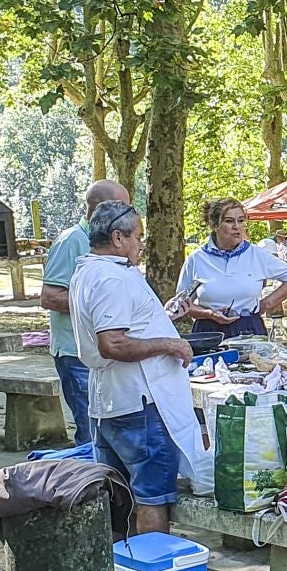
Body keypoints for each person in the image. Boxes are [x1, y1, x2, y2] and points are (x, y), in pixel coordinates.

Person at [71, 201, 199, 533]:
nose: (142, 244)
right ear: (117, 237)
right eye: (138, 237)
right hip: (138, 404)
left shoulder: (88, 271)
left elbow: (127, 326)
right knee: (152, 497)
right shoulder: (111, 277)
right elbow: (112, 343)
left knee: (120, 497)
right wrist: (170, 344)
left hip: (109, 402)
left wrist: (165, 318)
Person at [39, 179, 129, 446]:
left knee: (108, 432)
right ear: (101, 209)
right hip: (75, 355)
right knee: (91, 434)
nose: (129, 214)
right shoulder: (71, 241)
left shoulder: (112, 243)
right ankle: (87, 484)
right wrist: (100, 305)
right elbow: (49, 297)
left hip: (101, 353)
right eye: (122, 207)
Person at [175, 197, 287, 338]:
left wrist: (265, 304)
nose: (237, 226)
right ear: (214, 225)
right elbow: (182, 304)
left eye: (241, 220)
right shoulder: (197, 259)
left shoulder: (257, 254)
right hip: (209, 331)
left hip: (249, 328)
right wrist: (209, 314)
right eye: (229, 221)